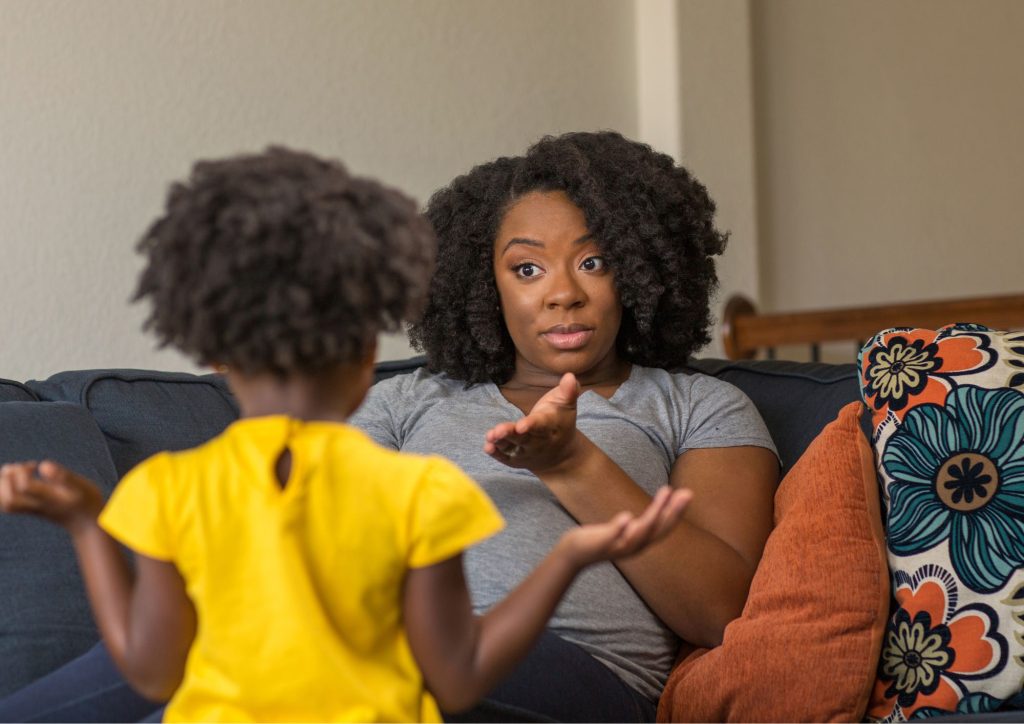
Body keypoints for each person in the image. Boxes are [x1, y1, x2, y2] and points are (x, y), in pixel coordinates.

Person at [0, 130, 777, 723]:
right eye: (528, 267)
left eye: (595, 262)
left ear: (643, 270)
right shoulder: (411, 399)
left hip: (572, 669)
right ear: (487, 283)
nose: (562, 294)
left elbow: (717, 609)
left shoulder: (693, 404)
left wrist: (571, 460)